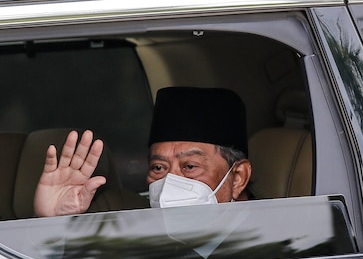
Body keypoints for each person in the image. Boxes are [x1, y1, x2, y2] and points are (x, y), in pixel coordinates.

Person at [34, 86, 252, 217]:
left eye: (189, 167)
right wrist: (51, 222)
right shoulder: (136, 237)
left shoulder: (272, 248)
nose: (170, 183)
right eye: (158, 167)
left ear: (238, 178)